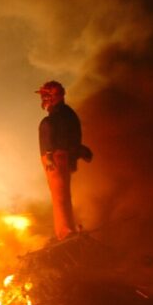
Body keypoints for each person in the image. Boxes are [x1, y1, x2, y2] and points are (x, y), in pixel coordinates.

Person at [36, 81, 93, 241]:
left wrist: (48, 157)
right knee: (64, 195)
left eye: (45, 97)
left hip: (55, 157)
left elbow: (49, 133)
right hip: (64, 156)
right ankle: (69, 229)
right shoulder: (69, 114)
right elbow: (73, 136)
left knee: (59, 196)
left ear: (51, 97)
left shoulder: (53, 118)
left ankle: (65, 232)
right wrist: (78, 152)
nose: (43, 101)